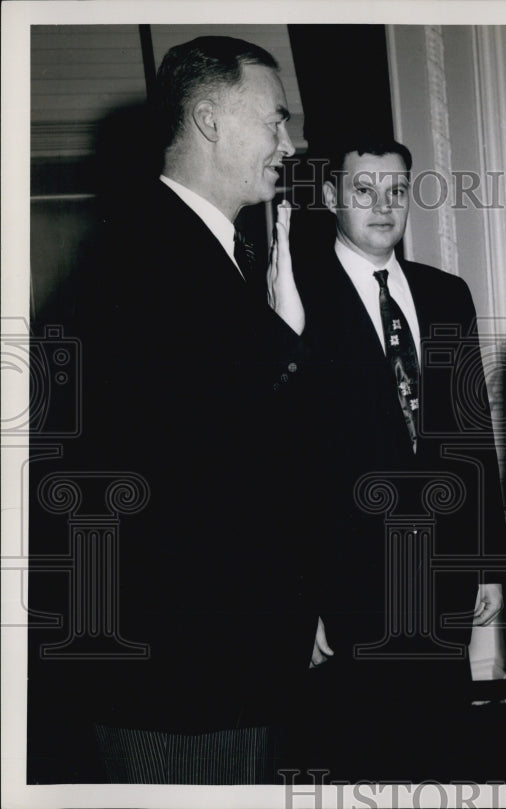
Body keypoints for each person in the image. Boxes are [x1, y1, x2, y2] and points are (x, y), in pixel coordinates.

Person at [69, 36, 316, 783]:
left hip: (222, 665)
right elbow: (206, 458)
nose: (292, 143)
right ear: (209, 120)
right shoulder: (150, 255)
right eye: (275, 120)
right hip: (186, 679)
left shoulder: (193, 250)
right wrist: (286, 342)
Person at [287, 137, 506, 782]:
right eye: (363, 190)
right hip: (346, 579)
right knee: (359, 754)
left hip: (442, 571)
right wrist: (303, 598)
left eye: (396, 191)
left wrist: (488, 562)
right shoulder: (294, 294)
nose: (382, 206)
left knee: (440, 747)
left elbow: (472, 435)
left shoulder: (446, 294)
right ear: (331, 198)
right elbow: (285, 462)